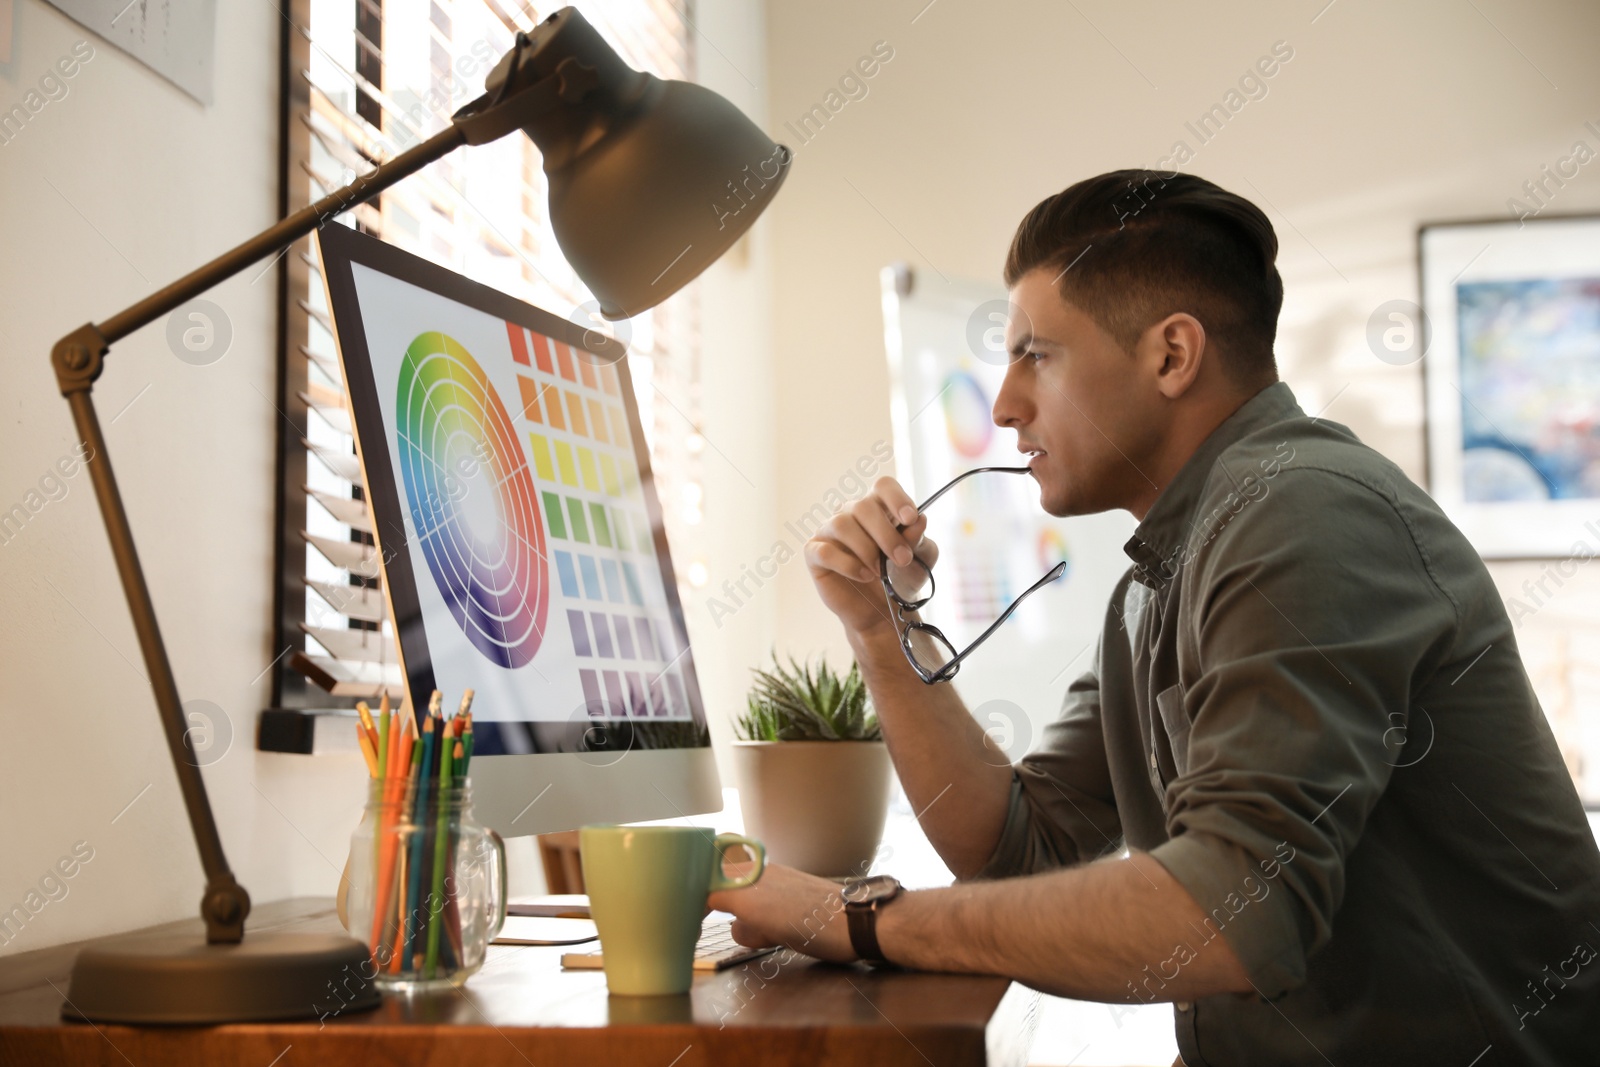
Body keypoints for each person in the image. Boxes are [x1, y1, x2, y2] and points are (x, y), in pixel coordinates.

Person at [709, 170, 1600, 1066]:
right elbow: (1021, 848)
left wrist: (852, 918)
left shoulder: (1304, 515)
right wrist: (878, 630)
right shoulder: (1156, 582)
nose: (1005, 404)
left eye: (1036, 354)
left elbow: (1230, 916)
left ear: (1172, 355)